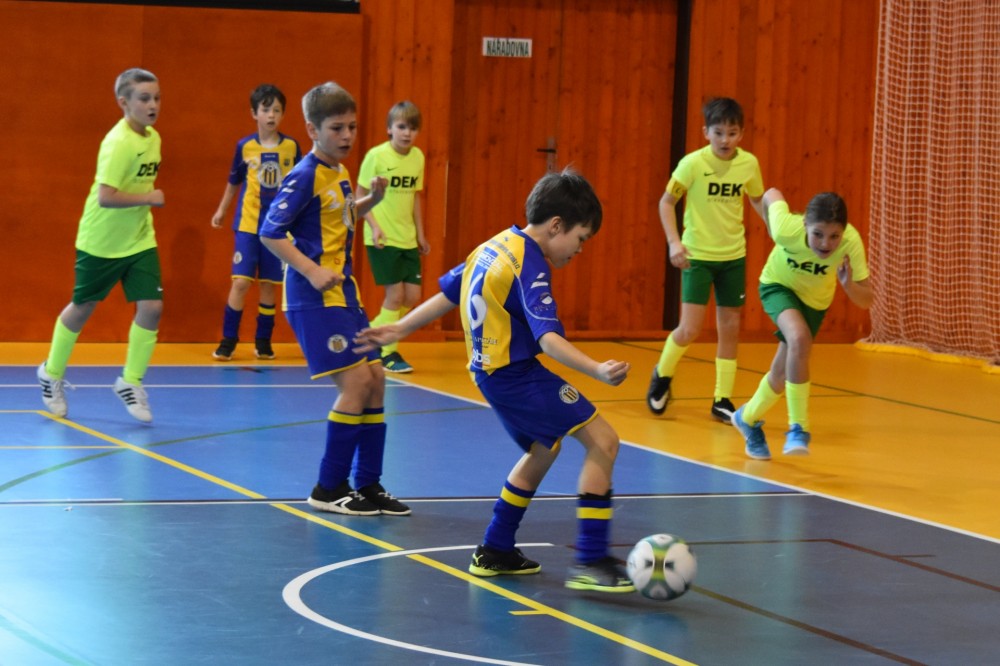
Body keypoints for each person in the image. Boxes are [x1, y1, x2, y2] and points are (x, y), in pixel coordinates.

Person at [355, 168, 635, 593]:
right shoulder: (530, 264)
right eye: (580, 238)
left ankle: (495, 548)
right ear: (556, 225)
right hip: (514, 375)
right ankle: (591, 559)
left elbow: (449, 294)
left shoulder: (493, 245)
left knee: (544, 448)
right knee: (604, 441)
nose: (580, 249)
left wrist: (401, 327)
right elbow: (548, 339)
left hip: (489, 373)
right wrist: (596, 369)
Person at [259, 81, 409, 517]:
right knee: (357, 382)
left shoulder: (338, 172)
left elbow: (338, 217)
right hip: (313, 298)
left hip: (344, 295)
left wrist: (370, 201)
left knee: (376, 378)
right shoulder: (304, 175)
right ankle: (328, 487)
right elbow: (270, 232)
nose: (347, 136)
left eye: (352, 127)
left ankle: (369, 483)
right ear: (312, 129)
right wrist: (310, 270)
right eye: (337, 128)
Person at [37, 67, 165, 423]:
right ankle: (51, 372)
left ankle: (130, 381)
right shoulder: (117, 143)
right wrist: (149, 197)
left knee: (152, 307)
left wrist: (145, 205)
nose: (153, 105)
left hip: (139, 239)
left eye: (156, 98)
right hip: (101, 241)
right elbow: (106, 197)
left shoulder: (153, 137)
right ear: (124, 102)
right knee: (83, 307)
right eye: (144, 98)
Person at [647, 97, 765, 424]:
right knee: (689, 329)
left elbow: (757, 199)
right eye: (719, 132)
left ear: (741, 134)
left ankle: (721, 399)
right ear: (706, 133)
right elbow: (666, 202)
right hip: (697, 257)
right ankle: (662, 375)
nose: (725, 139)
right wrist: (674, 242)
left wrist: (777, 229)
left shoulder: (749, 164)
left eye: (732, 133)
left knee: (730, 329)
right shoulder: (692, 164)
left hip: (733, 257)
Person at [732, 188, 873, 459]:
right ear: (805, 223)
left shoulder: (851, 242)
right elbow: (771, 193)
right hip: (777, 285)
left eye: (834, 236)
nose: (825, 243)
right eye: (818, 234)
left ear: (843, 232)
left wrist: (849, 286)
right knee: (798, 337)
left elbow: (866, 299)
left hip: (814, 303)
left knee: (781, 373)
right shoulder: (786, 229)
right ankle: (798, 428)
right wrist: (771, 226)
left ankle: (746, 418)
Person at [210, 84, 302, 361]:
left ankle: (263, 341)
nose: (271, 115)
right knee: (240, 282)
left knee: (268, 284)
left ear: (283, 114)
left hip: (276, 228)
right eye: (266, 109)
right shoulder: (245, 147)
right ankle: (228, 340)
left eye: (277, 110)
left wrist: (299, 218)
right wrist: (222, 210)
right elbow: (234, 182)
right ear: (254, 113)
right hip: (248, 225)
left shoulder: (291, 147)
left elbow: (300, 185)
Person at [355, 100, 428, 374]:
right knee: (395, 296)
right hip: (382, 237)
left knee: (412, 297)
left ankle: (372, 333)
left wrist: (420, 234)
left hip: (407, 237)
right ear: (389, 129)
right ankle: (388, 351)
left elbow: (415, 197)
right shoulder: (376, 156)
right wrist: (374, 226)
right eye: (401, 127)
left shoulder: (418, 157)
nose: (407, 133)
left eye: (412, 128)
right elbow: (359, 194)